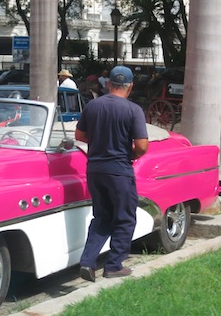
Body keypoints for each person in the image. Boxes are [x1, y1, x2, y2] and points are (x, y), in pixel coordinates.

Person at [75, 65, 149, 282]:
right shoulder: (133, 110)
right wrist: (131, 154)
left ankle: (88, 262)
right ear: (130, 86)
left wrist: (99, 142)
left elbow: (79, 135)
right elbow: (142, 146)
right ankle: (114, 265)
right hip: (119, 170)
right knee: (125, 218)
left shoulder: (93, 106)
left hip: (95, 170)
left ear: (108, 84)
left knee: (102, 217)